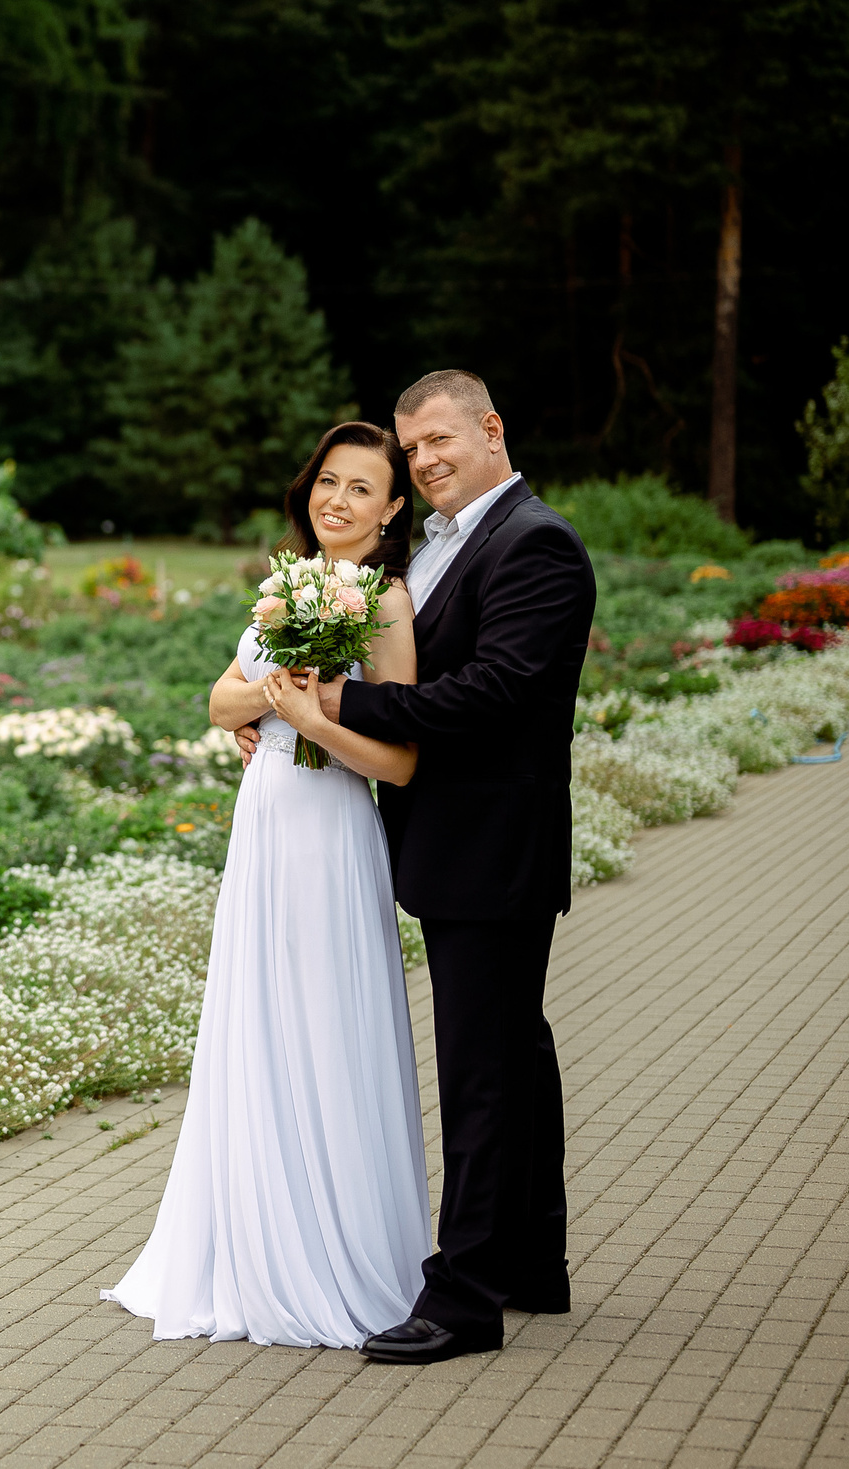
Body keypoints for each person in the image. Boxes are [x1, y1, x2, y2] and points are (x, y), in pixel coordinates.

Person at [100, 420, 433, 1348]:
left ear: (391, 509)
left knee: (324, 1023)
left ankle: (332, 1251)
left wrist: (309, 719)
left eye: (362, 488)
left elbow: (401, 760)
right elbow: (220, 700)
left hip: (330, 830)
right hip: (264, 826)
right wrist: (273, 697)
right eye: (329, 481)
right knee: (258, 1019)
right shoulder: (288, 584)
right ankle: (247, 1240)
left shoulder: (387, 601)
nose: (339, 500)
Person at [308, 369, 596, 1364]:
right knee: (516, 1053)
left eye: (439, 439)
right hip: (458, 844)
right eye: (411, 447)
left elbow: (490, 694)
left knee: (481, 1073)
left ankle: (465, 1298)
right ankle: (532, 1262)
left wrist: (337, 705)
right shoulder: (437, 545)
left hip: (494, 847)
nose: (424, 459)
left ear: (491, 428)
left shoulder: (535, 542)